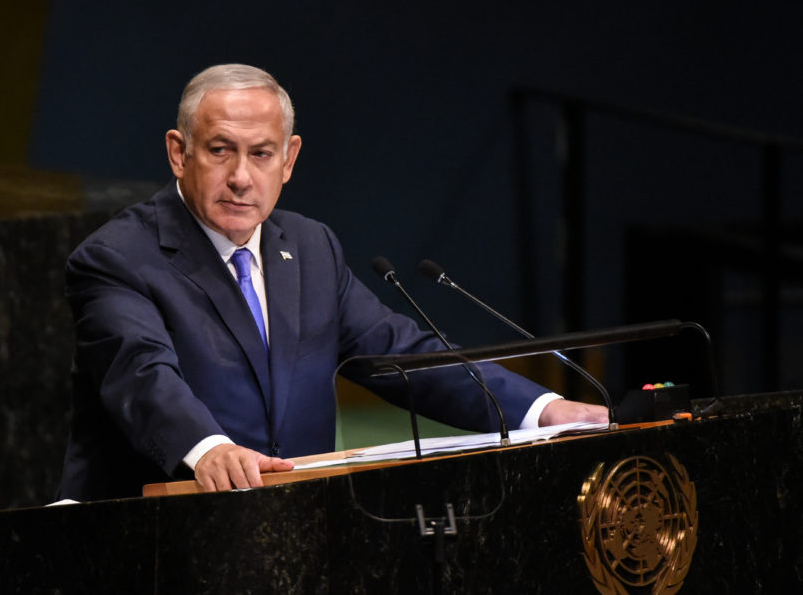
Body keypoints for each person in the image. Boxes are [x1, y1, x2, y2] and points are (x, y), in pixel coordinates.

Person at [57, 63, 606, 501]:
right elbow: (142, 375)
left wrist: (545, 411)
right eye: (220, 150)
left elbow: (402, 355)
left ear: (289, 160)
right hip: (148, 537)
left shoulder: (310, 247)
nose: (241, 177)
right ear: (180, 153)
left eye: (261, 154)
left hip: (295, 530)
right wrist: (208, 449)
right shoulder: (116, 259)